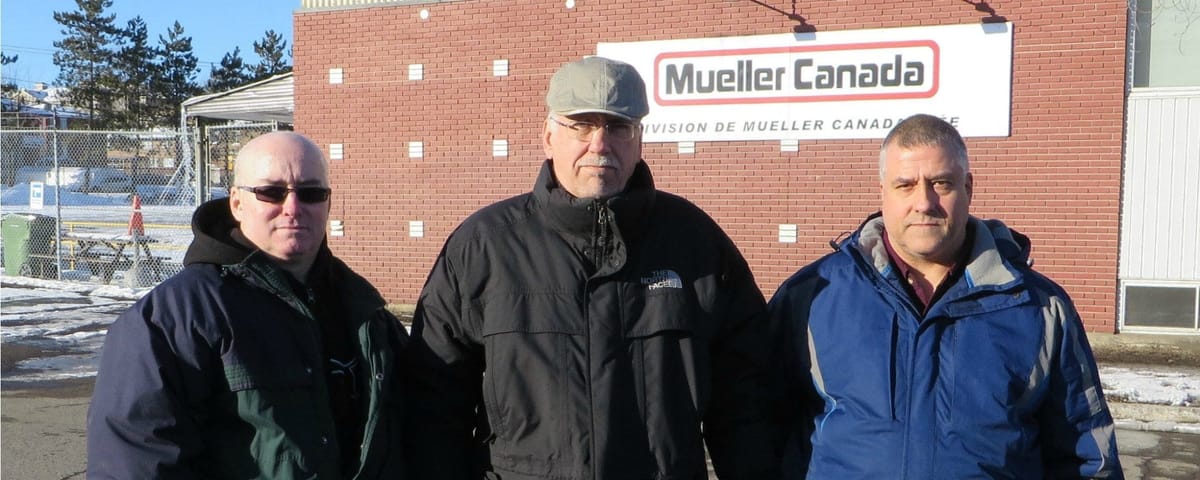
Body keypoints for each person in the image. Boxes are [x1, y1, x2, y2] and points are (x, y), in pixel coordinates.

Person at [405, 56, 777, 479]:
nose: (600, 144)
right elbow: (433, 407)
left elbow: (745, 403)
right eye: (581, 125)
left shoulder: (696, 246)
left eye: (619, 127)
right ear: (548, 136)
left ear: (639, 141)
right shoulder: (483, 247)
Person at [768, 114, 1123, 479]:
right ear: (882, 192)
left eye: (941, 183)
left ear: (968, 187)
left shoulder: (1039, 308)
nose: (924, 202)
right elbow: (757, 428)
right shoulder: (813, 297)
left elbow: (1086, 457)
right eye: (905, 185)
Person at [87, 131, 408, 479]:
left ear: (328, 204)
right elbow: (136, 463)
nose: (293, 208)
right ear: (237, 203)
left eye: (311, 193)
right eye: (272, 192)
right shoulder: (174, 320)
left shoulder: (364, 311)